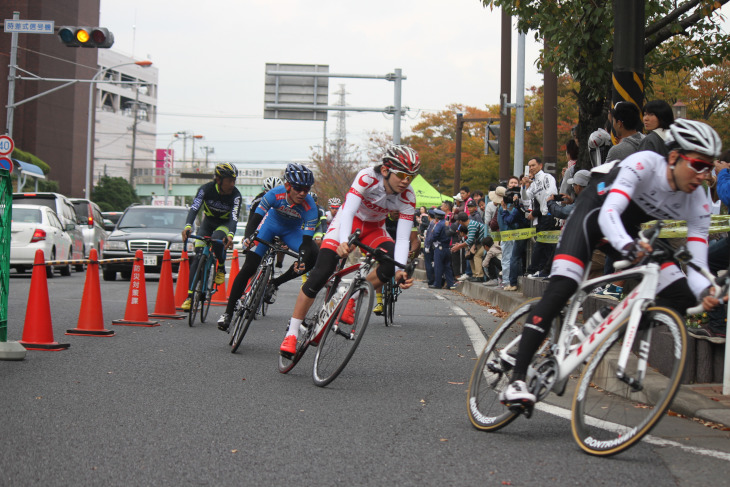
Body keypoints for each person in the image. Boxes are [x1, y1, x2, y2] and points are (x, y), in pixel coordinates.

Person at [500, 119, 725, 409]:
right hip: (593, 216)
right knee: (563, 288)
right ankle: (517, 379)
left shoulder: (699, 201)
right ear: (673, 157)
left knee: (681, 293)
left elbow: (696, 262)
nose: (703, 175)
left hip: (627, 231)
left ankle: (610, 316)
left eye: (709, 168)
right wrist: (629, 247)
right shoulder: (645, 164)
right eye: (697, 165)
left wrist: (706, 290)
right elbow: (609, 215)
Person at [280, 145, 419, 357]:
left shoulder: (408, 197)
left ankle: (351, 297)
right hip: (348, 221)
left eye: (411, 176)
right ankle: (291, 333)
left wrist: (401, 269)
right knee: (322, 271)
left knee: (392, 264)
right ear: (385, 170)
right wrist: (344, 241)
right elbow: (349, 210)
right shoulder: (367, 177)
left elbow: (401, 238)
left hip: (374, 228)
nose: (406, 181)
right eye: (401, 174)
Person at [216, 163, 319, 331]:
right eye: (298, 188)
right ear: (287, 186)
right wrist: (249, 237)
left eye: (306, 190)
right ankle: (227, 313)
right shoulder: (274, 194)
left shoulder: (310, 207)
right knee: (249, 267)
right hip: (269, 226)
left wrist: (302, 258)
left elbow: (307, 243)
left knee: (313, 255)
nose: (302, 193)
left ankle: (275, 283)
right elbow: (255, 219)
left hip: (292, 232)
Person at [181, 162, 242, 311]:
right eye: (230, 180)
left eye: (234, 180)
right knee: (198, 253)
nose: (232, 184)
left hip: (224, 224)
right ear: (219, 180)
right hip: (208, 222)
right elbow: (194, 207)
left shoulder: (236, 195)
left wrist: (230, 235)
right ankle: (190, 297)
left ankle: (220, 267)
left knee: (216, 239)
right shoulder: (205, 189)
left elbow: (234, 217)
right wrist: (188, 226)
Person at [521, 157, 558, 278]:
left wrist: (546, 210)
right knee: (547, 245)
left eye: (533, 165)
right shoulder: (533, 183)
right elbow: (526, 198)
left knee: (542, 243)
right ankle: (544, 270)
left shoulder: (547, 177)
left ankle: (533, 269)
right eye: (529, 166)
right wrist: (523, 186)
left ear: (540, 165)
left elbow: (551, 192)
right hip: (543, 215)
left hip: (550, 213)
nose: (531, 168)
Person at [244, 176, 285, 268]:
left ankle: (279, 265)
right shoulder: (257, 200)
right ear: (264, 191)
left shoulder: (284, 200)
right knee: (251, 261)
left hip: (277, 225)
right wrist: (247, 238)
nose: (272, 195)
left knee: (283, 244)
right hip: (260, 226)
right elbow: (251, 220)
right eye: (268, 192)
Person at [451, 212, 485, 282]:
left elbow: (469, 240)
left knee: (477, 256)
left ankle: (479, 276)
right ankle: (475, 274)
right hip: (480, 243)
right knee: (471, 255)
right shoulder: (470, 224)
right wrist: (460, 245)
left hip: (486, 243)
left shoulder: (471, 225)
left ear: (460, 221)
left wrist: (459, 246)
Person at [428, 209, 457, 290]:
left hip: (439, 246)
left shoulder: (439, 224)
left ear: (437, 217)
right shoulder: (447, 223)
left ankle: (437, 284)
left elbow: (435, 234)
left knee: (438, 266)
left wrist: (432, 240)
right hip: (447, 247)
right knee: (447, 266)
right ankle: (450, 284)